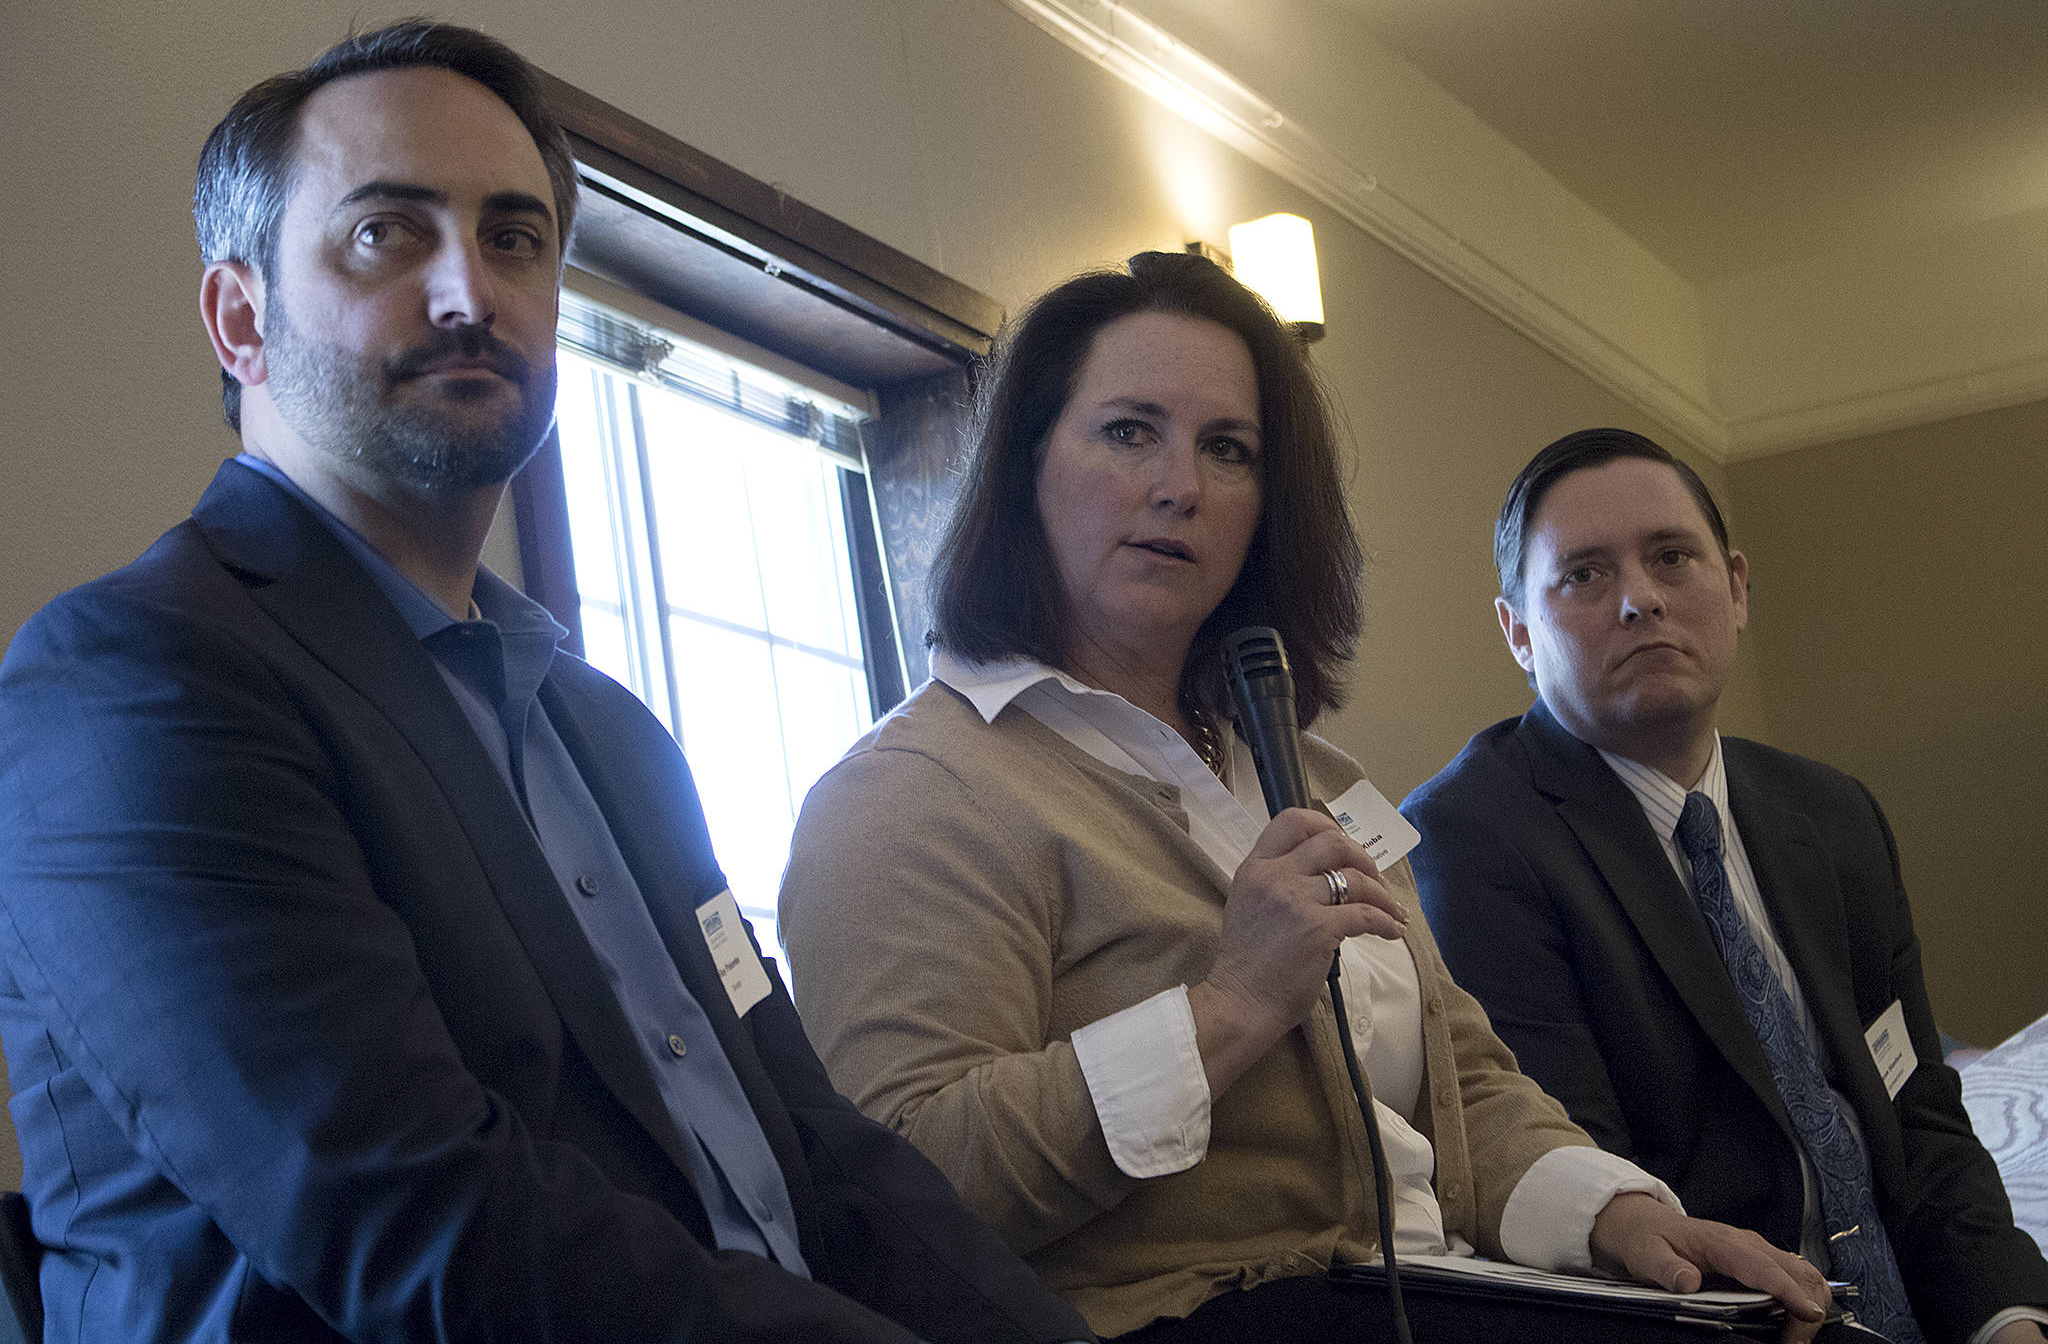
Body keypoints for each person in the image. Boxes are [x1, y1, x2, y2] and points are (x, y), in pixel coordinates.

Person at [0, 21, 1095, 1344]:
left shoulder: (613, 733)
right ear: (241, 318)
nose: (471, 291)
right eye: (386, 235)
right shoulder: (137, 677)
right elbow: (419, 1221)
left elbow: (828, 1152)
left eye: (516, 238)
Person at [778, 255, 1842, 1343]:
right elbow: (899, 1190)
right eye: (1128, 430)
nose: (1179, 485)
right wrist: (1224, 1009)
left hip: (1438, 1286)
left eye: (1227, 449)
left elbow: (1459, 1084)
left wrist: (1618, 1213)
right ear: (1023, 467)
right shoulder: (916, 791)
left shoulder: (1310, 776)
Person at [1402, 428, 2048, 1344]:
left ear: (1736, 588)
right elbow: (1586, 1190)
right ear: (1516, 630)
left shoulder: (1831, 813)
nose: (1639, 599)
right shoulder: (1472, 843)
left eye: (1671, 557)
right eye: (1584, 575)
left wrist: (2005, 1319)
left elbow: (1919, 1119)